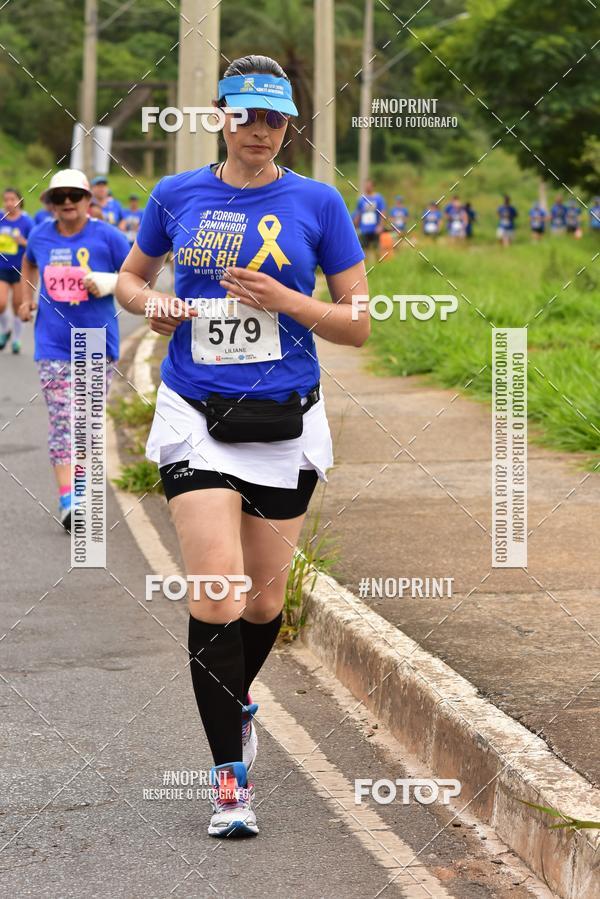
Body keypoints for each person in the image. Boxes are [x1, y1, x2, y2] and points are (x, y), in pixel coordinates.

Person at [116, 53, 369, 838]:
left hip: (285, 420)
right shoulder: (175, 194)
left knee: (264, 601)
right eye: (245, 114)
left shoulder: (318, 202)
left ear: (290, 126)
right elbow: (128, 278)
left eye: (274, 118)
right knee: (218, 593)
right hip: (195, 412)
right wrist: (154, 303)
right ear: (220, 116)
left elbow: (358, 320)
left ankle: (237, 702)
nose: (258, 130)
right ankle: (229, 780)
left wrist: (289, 299)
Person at [18, 169, 130, 529]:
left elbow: (139, 276)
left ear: (87, 201)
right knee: (63, 422)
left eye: (74, 196)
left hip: (97, 340)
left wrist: (111, 281)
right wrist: (25, 299)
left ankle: (81, 493)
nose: (67, 203)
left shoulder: (108, 236)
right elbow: (29, 263)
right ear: (50, 203)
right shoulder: (40, 234)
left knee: (87, 423)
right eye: (59, 197)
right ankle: (72, 501)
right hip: (51, 343)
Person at [0, 187, 33, 353]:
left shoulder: (27, 222)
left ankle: (16, 339)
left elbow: (34, 246)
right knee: (0, 303)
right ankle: (5, 330)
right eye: (6, 200)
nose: (9, 203)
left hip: (20, 269)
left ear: (19, 201)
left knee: (17, 305)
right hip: (1, 268)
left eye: (12, 199)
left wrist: (22, 242)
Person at [352, 178, 385, 254]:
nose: (367, 187)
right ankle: (367, 265)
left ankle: (378, 264)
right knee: (364, 250)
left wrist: (380, 226)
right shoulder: (361, 199)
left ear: (373, 186)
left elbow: (382, 212)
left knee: (376, 248)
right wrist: (355, 226)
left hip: (375, 228)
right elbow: (358, 213)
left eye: (369, 186)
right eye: (366, 186)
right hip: (364, 229)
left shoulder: (378, 198)